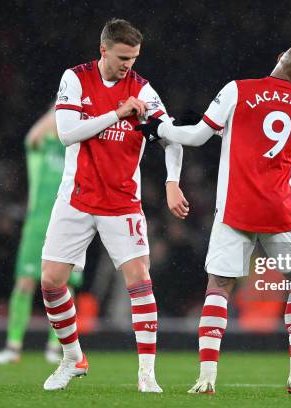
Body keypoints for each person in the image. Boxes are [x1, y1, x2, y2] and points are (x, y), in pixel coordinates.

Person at [137, 44, 291, 395]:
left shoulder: (237, 89)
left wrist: (160, 131)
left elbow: (199, 136)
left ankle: (207, 377)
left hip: (236, 208)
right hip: (278, 209)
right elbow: (265, 140)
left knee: (219, 286)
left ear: (278, 57)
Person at [40, 19, 187, 392]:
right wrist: (117, 114)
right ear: (103, 50)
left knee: (140, 279)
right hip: (76, 197)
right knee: (51, 282)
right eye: (123, 57)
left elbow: (171, 138)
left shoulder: (142, 89)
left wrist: (172, 183)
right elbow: (66, 132)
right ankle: (74, 358)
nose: (128, 66)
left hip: (122, 203)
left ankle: (147, 374)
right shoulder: (75, 79)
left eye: (134, 58)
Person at [0, 108, 84, 365]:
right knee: (24, 282)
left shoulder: (78, 149)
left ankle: (58, 348)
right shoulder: (44, 148)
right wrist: (59, 105)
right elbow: (32, 136)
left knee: (66, 286)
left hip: (70, 223)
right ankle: (13, 346)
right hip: (37, 224)